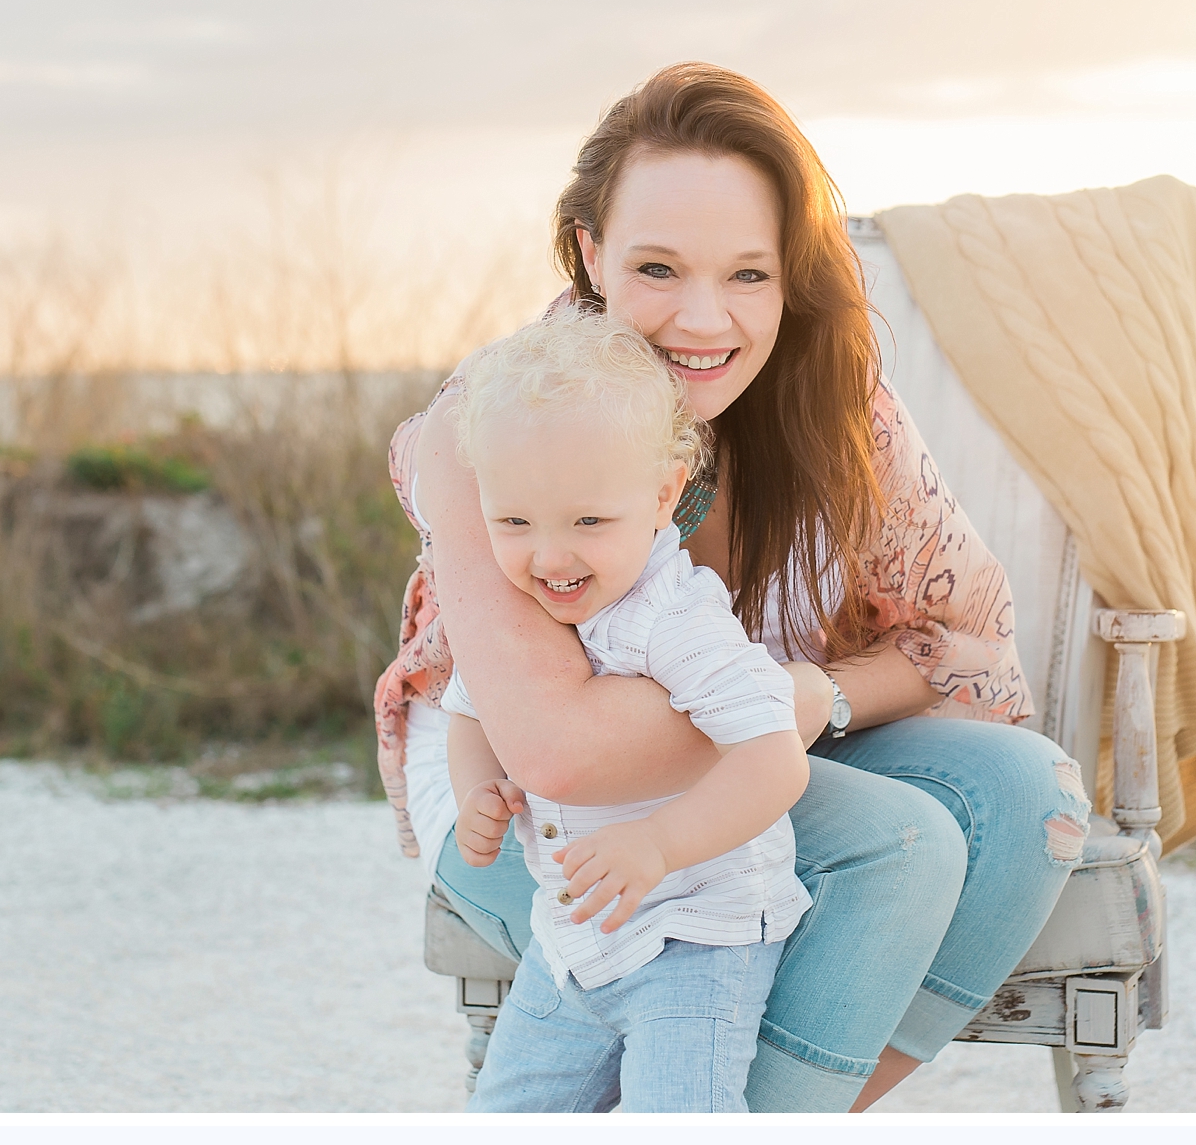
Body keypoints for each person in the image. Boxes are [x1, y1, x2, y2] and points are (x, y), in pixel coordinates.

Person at [372, 62, 1092, 1113]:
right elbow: (559, 745)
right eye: (659, 267)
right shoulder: (493, 421)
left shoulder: (839, 408)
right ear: (590, 254)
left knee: (1026, 795)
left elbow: (973, 638)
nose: (704, 320)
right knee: (902, 842)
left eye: (747, 275)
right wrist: (767, 709)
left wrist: (820, 698)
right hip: (527, 790)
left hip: (744, 734)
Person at [447, 308, 814, 1113]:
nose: (550, 556)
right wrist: (478, 788)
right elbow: (472, 708)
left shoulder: (675, 619)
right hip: (573, 942)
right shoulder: (520, 608)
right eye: (513, 522)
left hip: (697, 934)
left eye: (588, 521)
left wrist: (659, 842)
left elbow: (774, 755)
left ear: (662, 496)